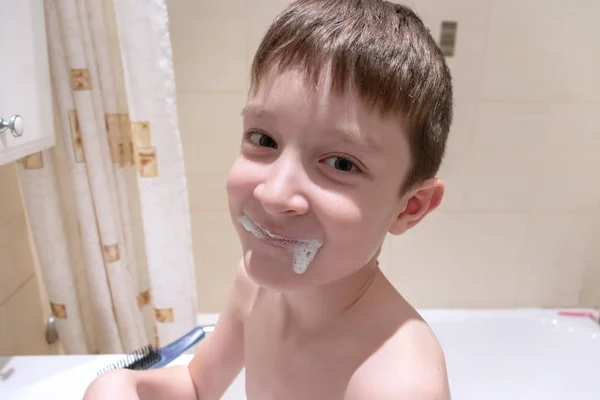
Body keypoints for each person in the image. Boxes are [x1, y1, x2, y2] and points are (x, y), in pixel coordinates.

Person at [83, 0, 453, 398]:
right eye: (264, 140)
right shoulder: (254, 285)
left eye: (342, 164)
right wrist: (123, 383)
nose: (273, 194)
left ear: (409, 207)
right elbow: (196, 385)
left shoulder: (396, 381)